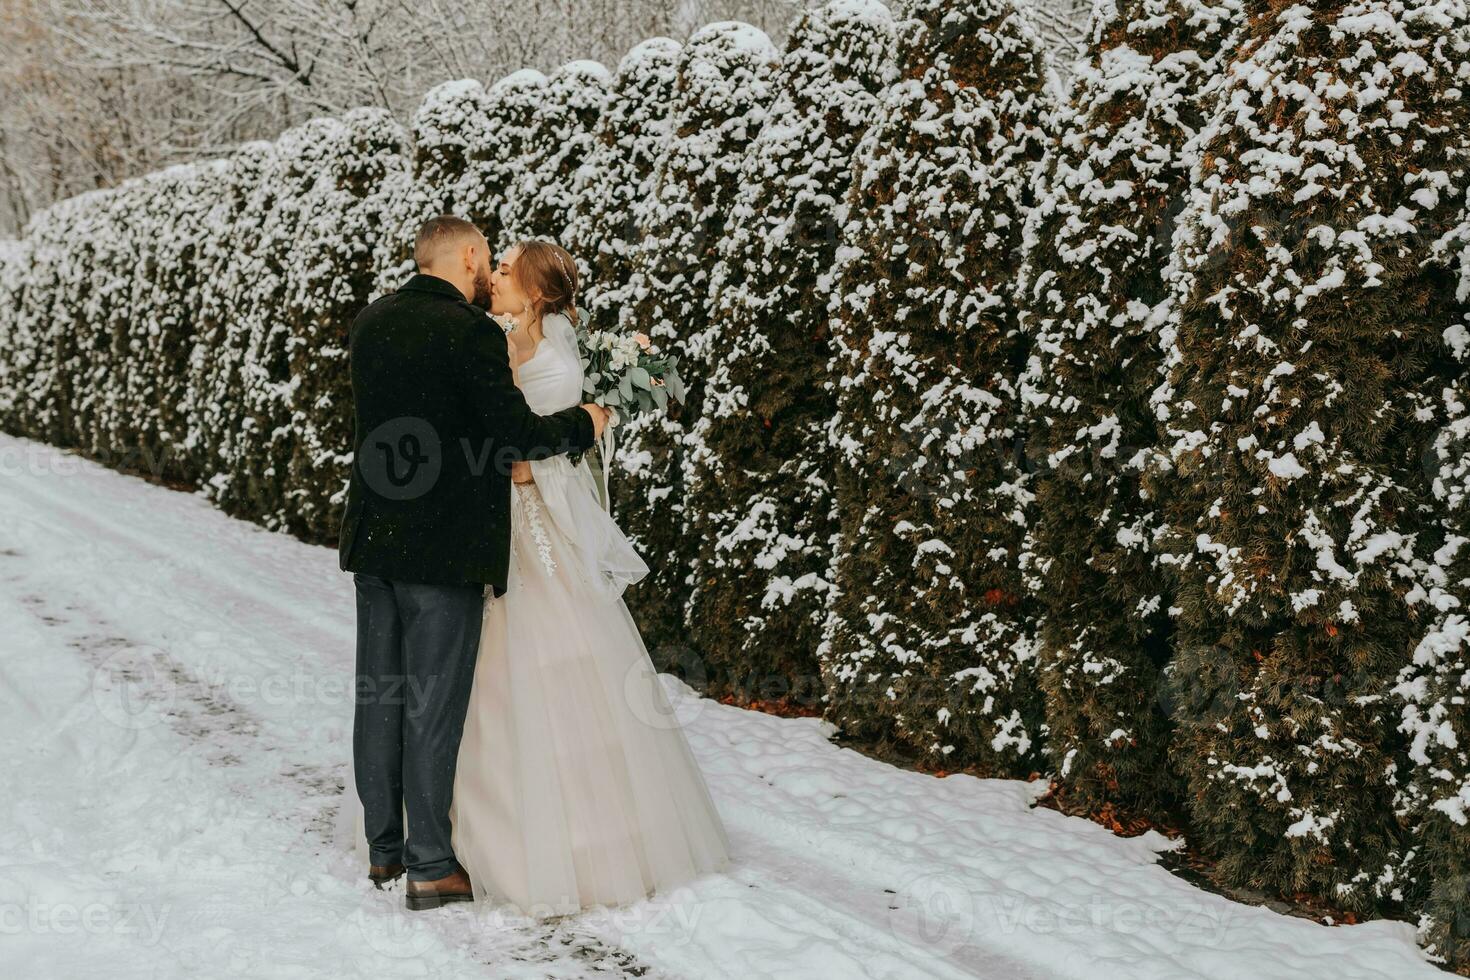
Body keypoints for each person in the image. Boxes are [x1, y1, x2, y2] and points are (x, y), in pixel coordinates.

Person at [338, 216, 609, 911]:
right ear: (465, 255)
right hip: (444, 547)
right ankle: (431, 866)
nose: (489, 274)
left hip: (375, 541)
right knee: (433, 705)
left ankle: (384, 850)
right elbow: (515, 433)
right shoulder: (470, 333)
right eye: (486, 260)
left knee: (382, 695)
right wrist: (588, 422)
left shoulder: (370, 323)